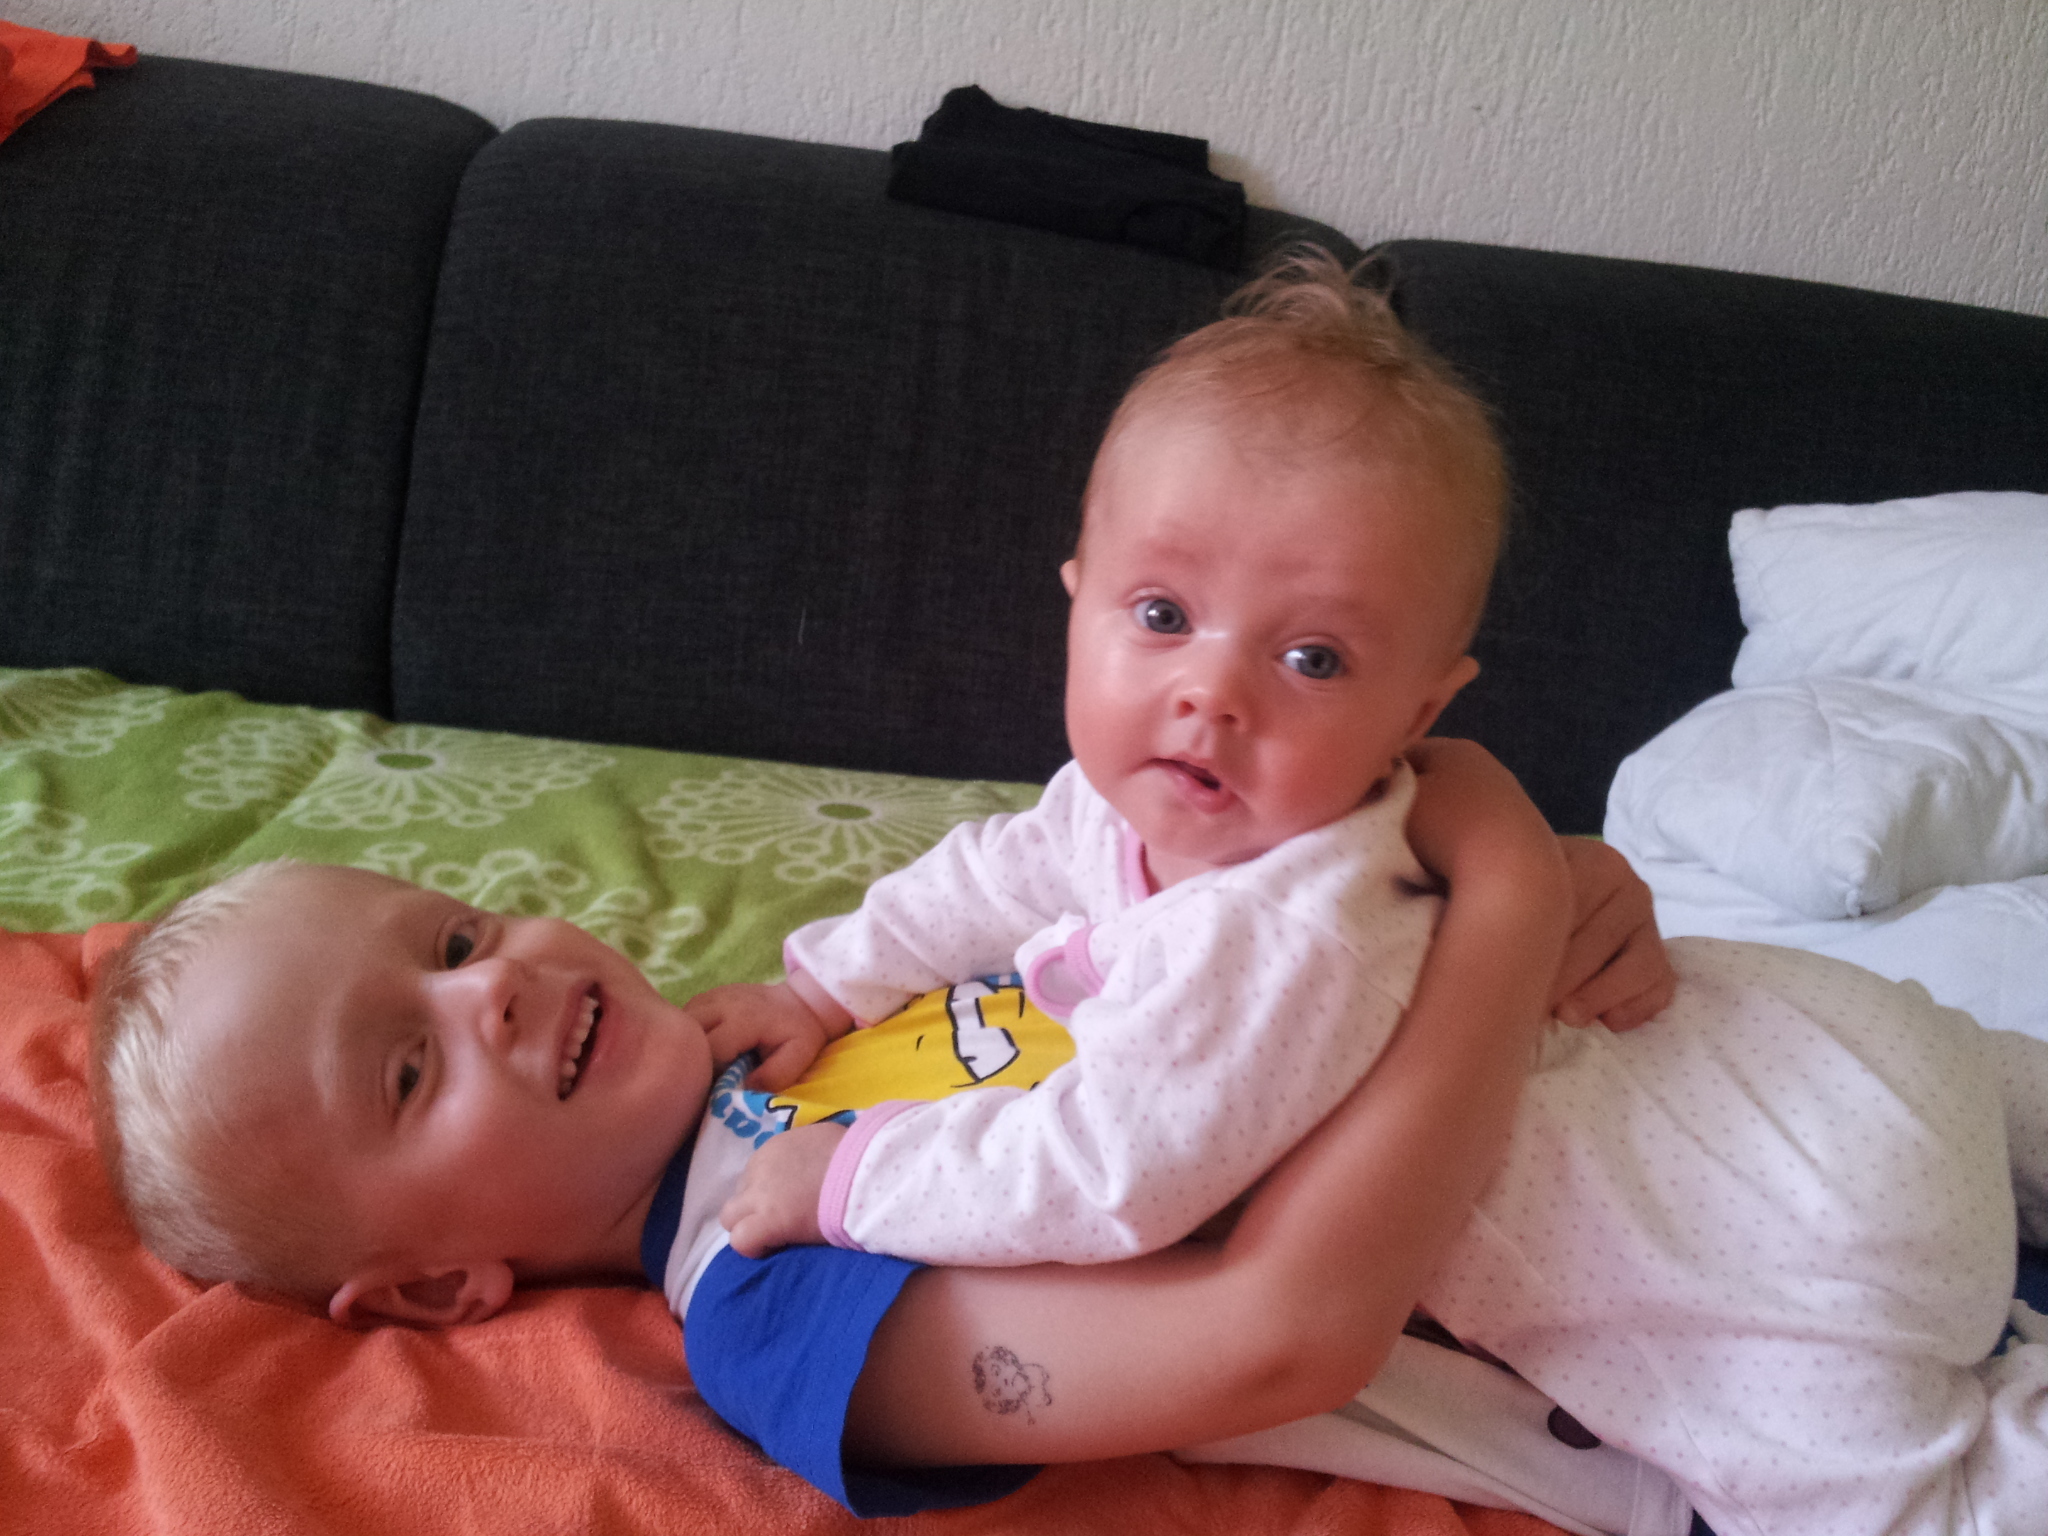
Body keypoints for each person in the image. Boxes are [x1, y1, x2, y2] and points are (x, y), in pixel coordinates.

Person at [687, 251, 2048, 1535]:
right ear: (1077, 599)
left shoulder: (1282, 931)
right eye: (1161, 615)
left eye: (1315, 660)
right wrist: (823, 984)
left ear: (1421, 711)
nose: (1211, 691)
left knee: (1896, 1504)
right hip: (1852, 1041)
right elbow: (993, 869)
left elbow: (1106, 1174)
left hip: (1776, 1237)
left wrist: (851, 1179)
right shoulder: (1122, 804)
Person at [90, 739, 1620, 1517]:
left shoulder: (805, 1022)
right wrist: (1501, 894)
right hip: (1627, 1330)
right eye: (406, 1074)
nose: (488, 988)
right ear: (437, 1286)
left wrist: (1509, 901)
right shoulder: (765, 1310)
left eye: (454, 938)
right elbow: (1280, 1335)